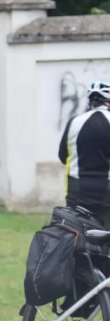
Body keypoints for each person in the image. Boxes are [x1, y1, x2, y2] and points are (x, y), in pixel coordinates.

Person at [59, 80, 110, 226]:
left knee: (78, 237)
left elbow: (63, 156)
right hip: (106, 191)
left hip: (78, 190)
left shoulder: (74, 122)